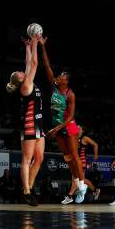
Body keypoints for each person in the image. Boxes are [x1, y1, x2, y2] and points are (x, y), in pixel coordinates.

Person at [39, 36, 87, 204]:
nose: (59, 76)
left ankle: (82, 187)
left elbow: (72, 116)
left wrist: (57, 128)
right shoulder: (54, 87)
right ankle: (78, 184)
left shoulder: (70, 94)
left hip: (68, 126)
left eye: (62, 75)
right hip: (57, 128)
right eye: (59, 75)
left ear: (66, 81)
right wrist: (42, 46)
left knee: (74, 156)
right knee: (67, 158)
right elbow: (46, 65)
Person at [6, 35, 44, 206]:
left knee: (40, 158)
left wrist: (27, 46)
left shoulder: (27, 80)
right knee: (26, 160)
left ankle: (30, 185)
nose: (22, 71)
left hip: (38, 124)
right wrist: (35, 43)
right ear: (19, 79)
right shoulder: (26, 85)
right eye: (19, 72)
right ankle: (27, 192)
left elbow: (29, 64)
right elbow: (34, 64)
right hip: (29, 125)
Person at [66, 127, 101, 204]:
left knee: (76, 179)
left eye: (79, 129)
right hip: (75, 161)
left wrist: (95, 156)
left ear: (82, 131)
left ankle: (70, 195)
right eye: (76, 128)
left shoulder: (85, 138)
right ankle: (95, 190)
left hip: (82, 161)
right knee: (81, 180)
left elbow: (95, 145)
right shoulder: (73, 139)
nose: (77, 130)